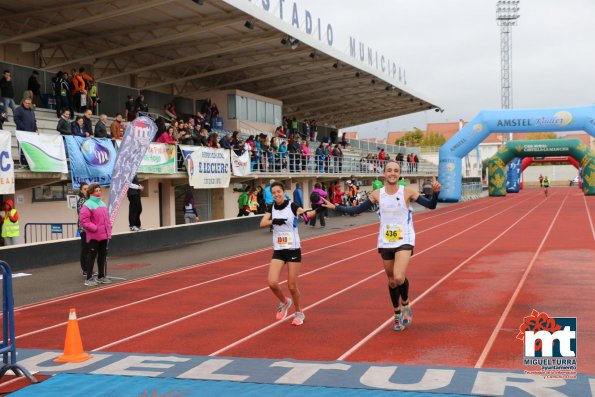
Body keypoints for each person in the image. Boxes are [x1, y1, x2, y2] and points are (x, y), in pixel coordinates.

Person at [321, 160, 441, 331]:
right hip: (386, 241)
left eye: (396, 171)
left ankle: (406, 303)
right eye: (389, 170)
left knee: (399, 277)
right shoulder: (377, 194)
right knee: (392, 282)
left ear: (399, 174)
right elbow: (357, 209)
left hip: (404, 239)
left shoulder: (407, 192)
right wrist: (336, 207)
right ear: (384, 173)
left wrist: (435, 193)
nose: (392, 173)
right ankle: (397, 313)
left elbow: (431, 205)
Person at [260, 181, 318, 326]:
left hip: (293, 249)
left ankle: (299, 312)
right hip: (279, 249)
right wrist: (275, 220)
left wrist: (318, 210)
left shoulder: (292, 205)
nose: (276, 194)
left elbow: (305, 215)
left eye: (279, 191)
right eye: (274, 193)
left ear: (283, 192)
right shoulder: (270, 207)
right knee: (272, 282)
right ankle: (284, 301)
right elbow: (262, 223)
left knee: (292, 285)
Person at [79, 184, 112, 286]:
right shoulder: (87, 204)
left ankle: (101, 276)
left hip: (104, 235)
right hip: (94, 235)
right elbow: (83, 220)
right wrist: (94, 228)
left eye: (99, 190)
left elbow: (106, 219)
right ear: (91, 192)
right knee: (92, 256)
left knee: (102, 256)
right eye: (96, 190)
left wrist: (109, 228)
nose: (98, 192)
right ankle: (89, 278)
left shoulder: (102, 204)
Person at [76, 183, 90, 275]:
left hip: (90, 228)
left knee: (89, 249)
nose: (87, 190)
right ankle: (85, 269)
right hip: (84, 228)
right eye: (85, 189)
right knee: (85, 248)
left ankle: (88, 268)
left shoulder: (89, 200)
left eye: (88, 189)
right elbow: (83, 216)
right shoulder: (82, 201)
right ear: (81, 191)